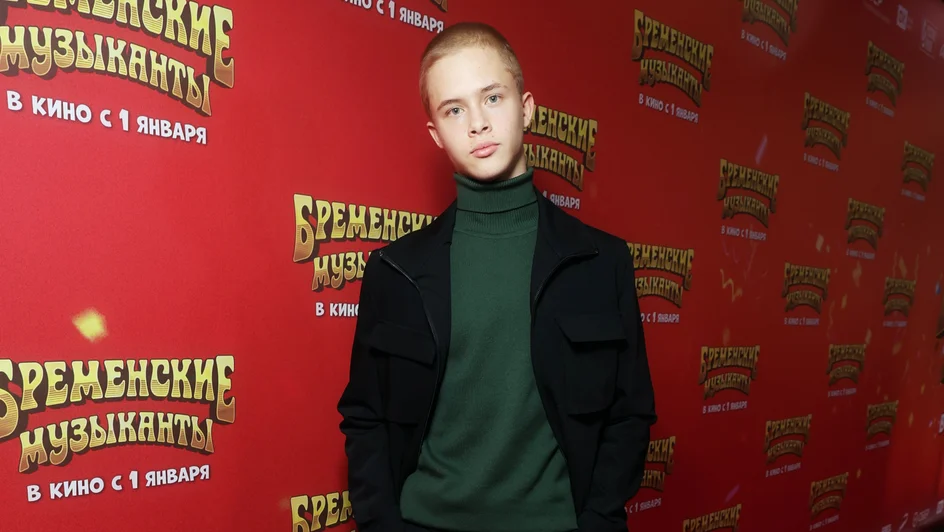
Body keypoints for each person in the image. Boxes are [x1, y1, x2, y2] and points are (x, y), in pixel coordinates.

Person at [337, 21, 656, 532]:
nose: (477, 124)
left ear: (526, 108)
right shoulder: (394, 271)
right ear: (436, 134)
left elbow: (630, 413)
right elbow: (365, 417)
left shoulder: (602, 262)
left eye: (492, 98)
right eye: (454, 110)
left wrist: (597, 519)